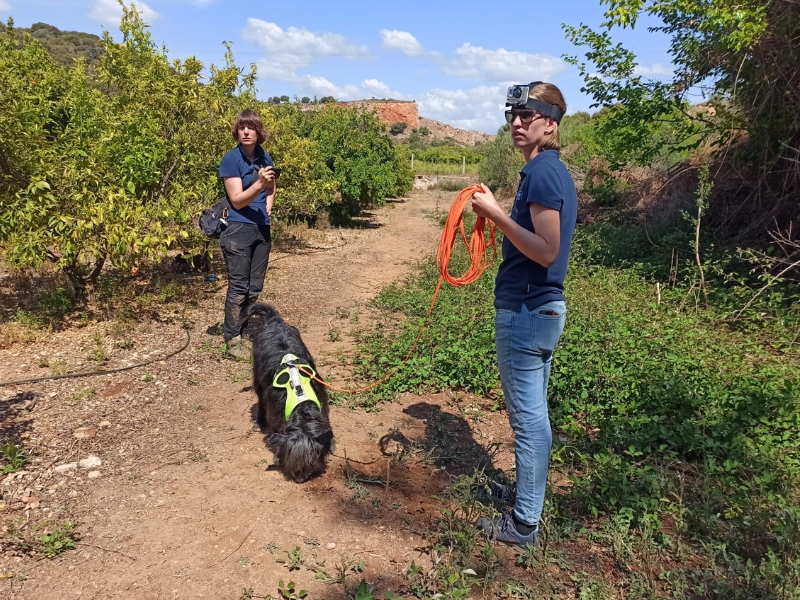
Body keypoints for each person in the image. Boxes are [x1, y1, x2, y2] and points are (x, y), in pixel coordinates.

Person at [471, 82, 577, 546]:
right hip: (540, 309)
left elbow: (547, 251)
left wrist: (494, 214)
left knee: (529, 420)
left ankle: (524, 523)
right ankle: (525, 497)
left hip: (527, 308)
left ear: (549, 124)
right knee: (533, 416)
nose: (517, 121)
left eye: (528, 115)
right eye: (513, 113)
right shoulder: (546, 171)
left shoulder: (542, 174)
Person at [218, 109, 277, 360]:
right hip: (238, 229)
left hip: (261, 228)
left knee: (255, 286)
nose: (245, 131)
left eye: (250, 127)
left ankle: (245, 329)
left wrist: (269, 206)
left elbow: (273, 186)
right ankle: (233, 339)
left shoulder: (266, 158)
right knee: (239, 287)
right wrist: (259, 185)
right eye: (241, 127)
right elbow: (238, 200)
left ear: (258, 131)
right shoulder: (231, 160)